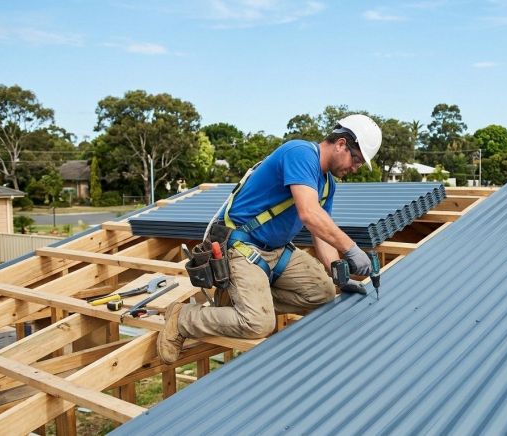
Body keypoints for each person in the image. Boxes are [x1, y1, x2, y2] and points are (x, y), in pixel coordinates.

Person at [158, 114, 382, 364]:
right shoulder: (300, 153)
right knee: (258, 323)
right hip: (242, 246)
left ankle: (245, 298)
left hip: (277, 251)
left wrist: (337, 271)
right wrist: (351, 249)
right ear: (341, 144)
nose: (355, 168)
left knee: (324, 292)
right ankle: (183, 318)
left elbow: (322, 231)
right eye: (357, 159)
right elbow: (309, 214)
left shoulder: (328, 184)